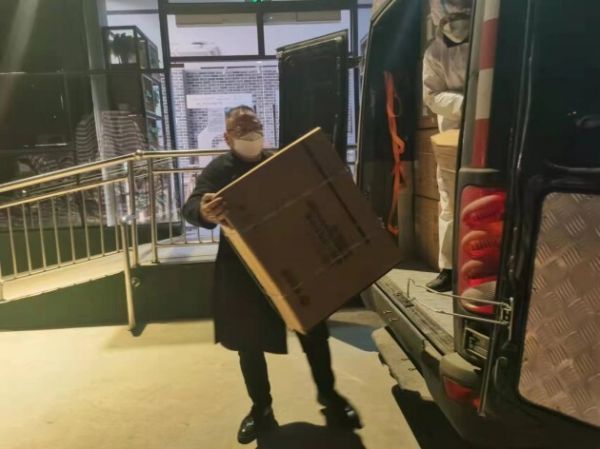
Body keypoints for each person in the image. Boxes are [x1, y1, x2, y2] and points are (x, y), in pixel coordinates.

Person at [182, 106, 360, 445]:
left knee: (314, 332)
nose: (251, 133)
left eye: (255, 126)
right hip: (243, 270)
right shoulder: (220, 170)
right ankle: (261, 409)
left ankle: (330, 398)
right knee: (248, 344)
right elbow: (191, 205)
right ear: (227, 137)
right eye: (241, 129)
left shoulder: (278, 163)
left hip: (290, 263)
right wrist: (204, 210)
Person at [422, 0, 472, 292]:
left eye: (461, 15)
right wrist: (468, 102)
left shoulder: (492, 42)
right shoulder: (434, 52)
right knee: (450, 200)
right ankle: (449, 269)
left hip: (493, 129)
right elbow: (432, 96)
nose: (456, 23)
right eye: (450, 18)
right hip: (452, 133)